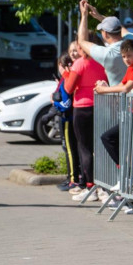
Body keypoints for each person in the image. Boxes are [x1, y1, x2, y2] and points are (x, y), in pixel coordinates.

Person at [94, 38, 133, 170]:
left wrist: (103, 90)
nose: (126, 59)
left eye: (129, 55)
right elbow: (121, 85)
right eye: (123, 56)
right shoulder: (131, 67)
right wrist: (105, 87)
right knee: (112, 139)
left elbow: (126, 88)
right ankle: (124, 169)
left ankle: (129, 172)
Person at [67, 33, 108, 200]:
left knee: (85, 147)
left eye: (79, 44)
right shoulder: (103, 61)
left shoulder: (80, 63)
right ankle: (104, 186)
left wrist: (66, 74)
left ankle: (90, 186)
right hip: (102, 105)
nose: (78, 48)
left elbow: (69, 88)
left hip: (83, 107)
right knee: (101, 147)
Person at [76, 0, 126, 86]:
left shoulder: (107, 54)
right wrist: (99, 16)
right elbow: (124, 30)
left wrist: (84, 15)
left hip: (120, 94)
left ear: (105, 34)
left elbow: (81, 41)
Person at [55, 52, 79, 191]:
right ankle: (72, 178)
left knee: (70, 150)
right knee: (73, 149)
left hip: (68, 118)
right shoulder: (68, 78)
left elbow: (66, 104)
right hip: (72, 117)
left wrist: (54, 102)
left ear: (61, 65)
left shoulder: (66, 79)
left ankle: (73, 180)